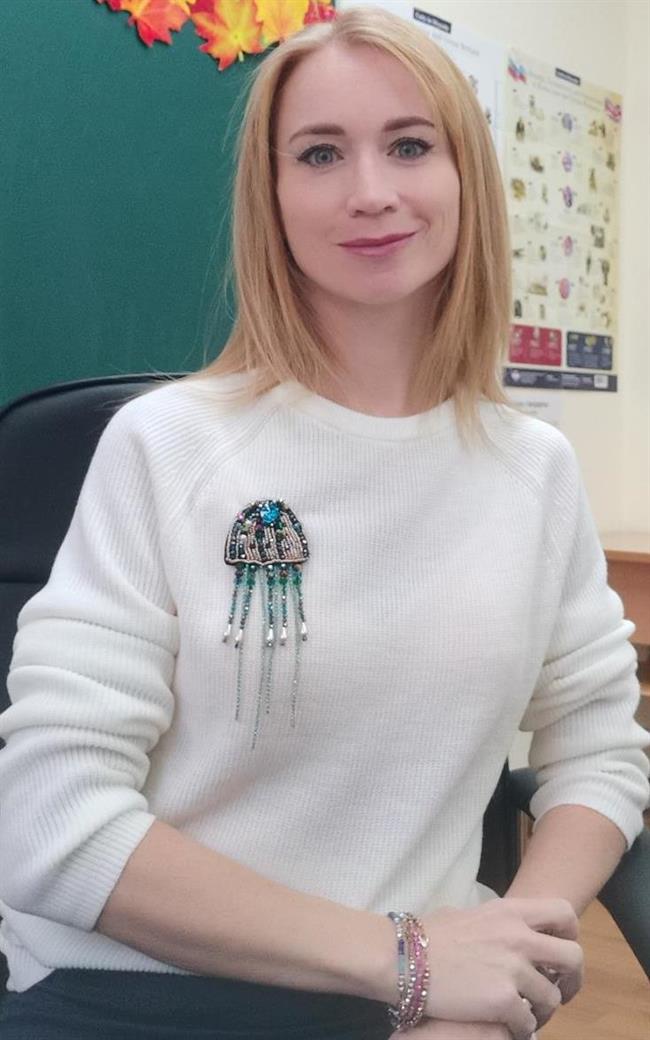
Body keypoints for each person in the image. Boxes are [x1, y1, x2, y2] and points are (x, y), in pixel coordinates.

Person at [0, 6, 648, 1039]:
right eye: (318, 153)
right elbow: (50, 818)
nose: (370, 190)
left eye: (410, 145)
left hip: (404, 1006)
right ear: (272, 198)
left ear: (466, 178)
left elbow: (600, 750)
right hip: (138, 988)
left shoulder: (534, 469)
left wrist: (507, 957)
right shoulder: (165, 446)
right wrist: (411, 961)